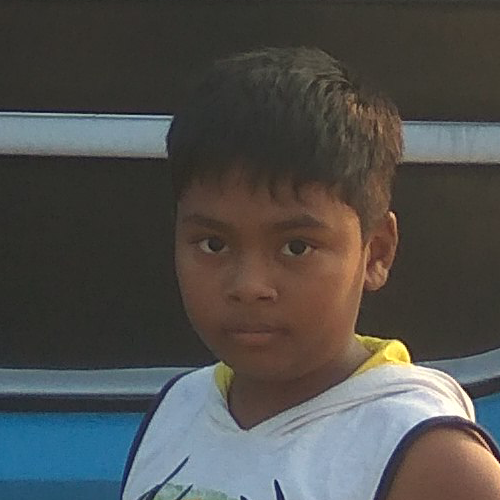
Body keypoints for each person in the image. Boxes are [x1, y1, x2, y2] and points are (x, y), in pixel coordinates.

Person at [121, 47, 500, 500]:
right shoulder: (179, 407)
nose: (249, 286)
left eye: (296, 247)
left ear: (376, 253)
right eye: (213, 244)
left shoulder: (426, 455)